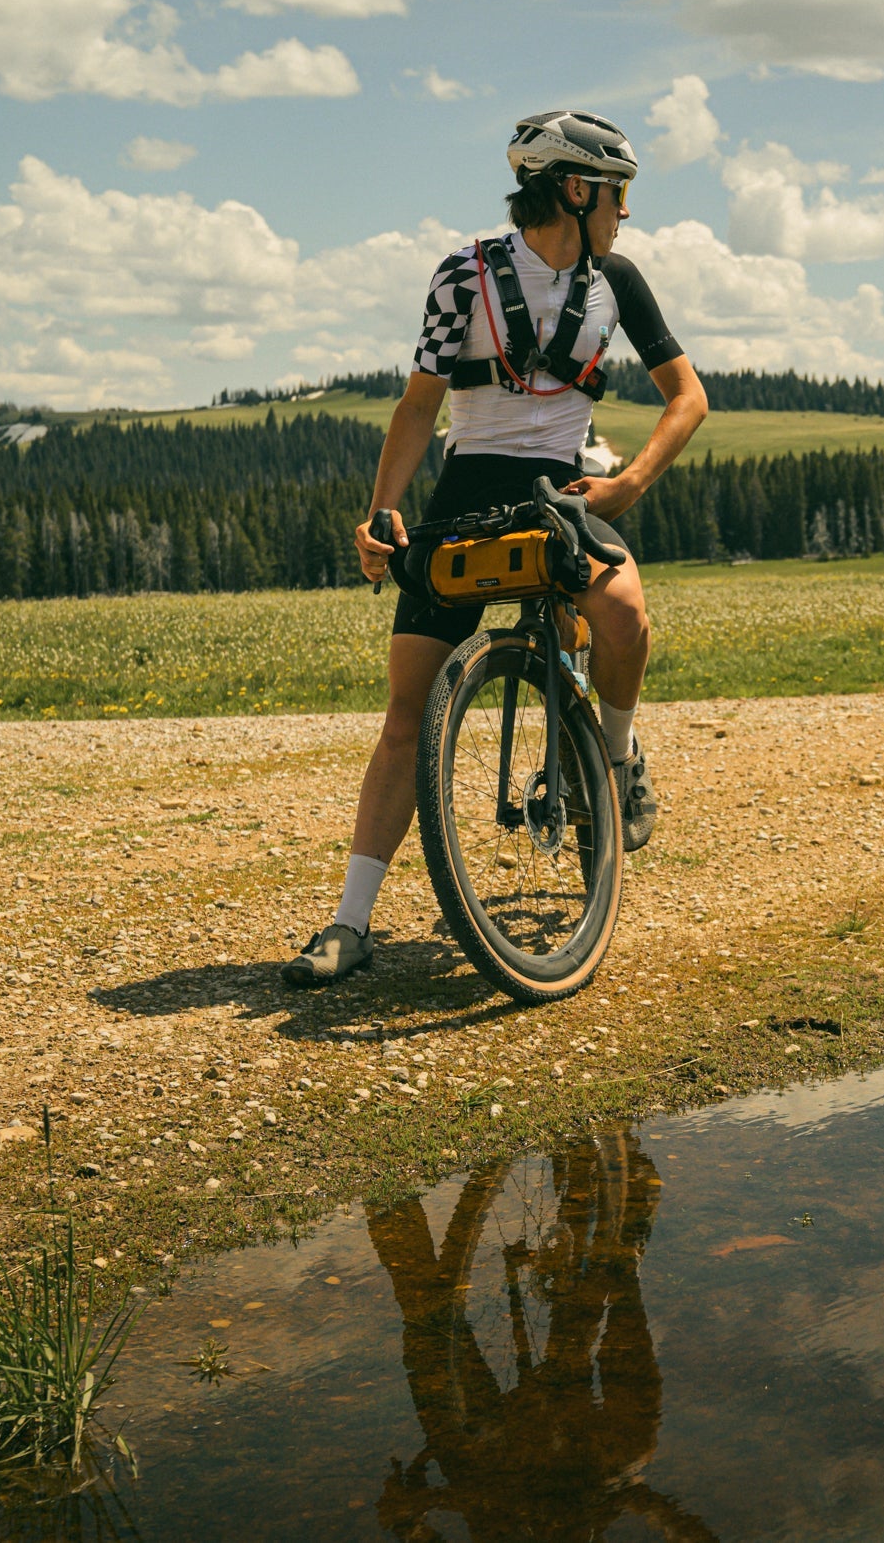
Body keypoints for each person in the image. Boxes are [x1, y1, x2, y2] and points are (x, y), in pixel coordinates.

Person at [285, 109, 706, 987]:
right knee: (408, 713)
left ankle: (618, 761)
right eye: (617, 194)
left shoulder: (617, 282)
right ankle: (349, 922)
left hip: (561, 489)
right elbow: (417, 407)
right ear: (575, 188)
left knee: (624, 611)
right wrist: (382, 514)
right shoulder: (464, 276)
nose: (624, 214)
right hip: (470, 489)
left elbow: (688, 399)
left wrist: (627, 487)